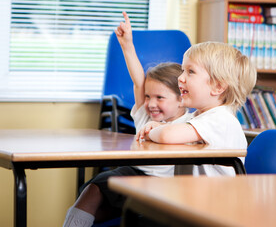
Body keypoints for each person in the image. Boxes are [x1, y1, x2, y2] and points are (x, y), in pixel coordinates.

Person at [63, 12, 189, 227]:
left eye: (160, 97)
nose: (150, 103)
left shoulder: (192, 125)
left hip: (166, 187)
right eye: (148, 96)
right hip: (134, 174)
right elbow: (138, 80)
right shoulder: (145, 114)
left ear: (181, 99)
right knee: (92, 191)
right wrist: (127, 45)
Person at [137, 41, 257, 176]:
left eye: (191, 71)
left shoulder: (221, 120)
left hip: (215, 196)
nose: (180, 78)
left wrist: (150, 132)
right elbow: (170, 131)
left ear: (218, 87)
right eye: (183, 71)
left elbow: (166, 135)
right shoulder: (200, 118)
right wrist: (159, 126)